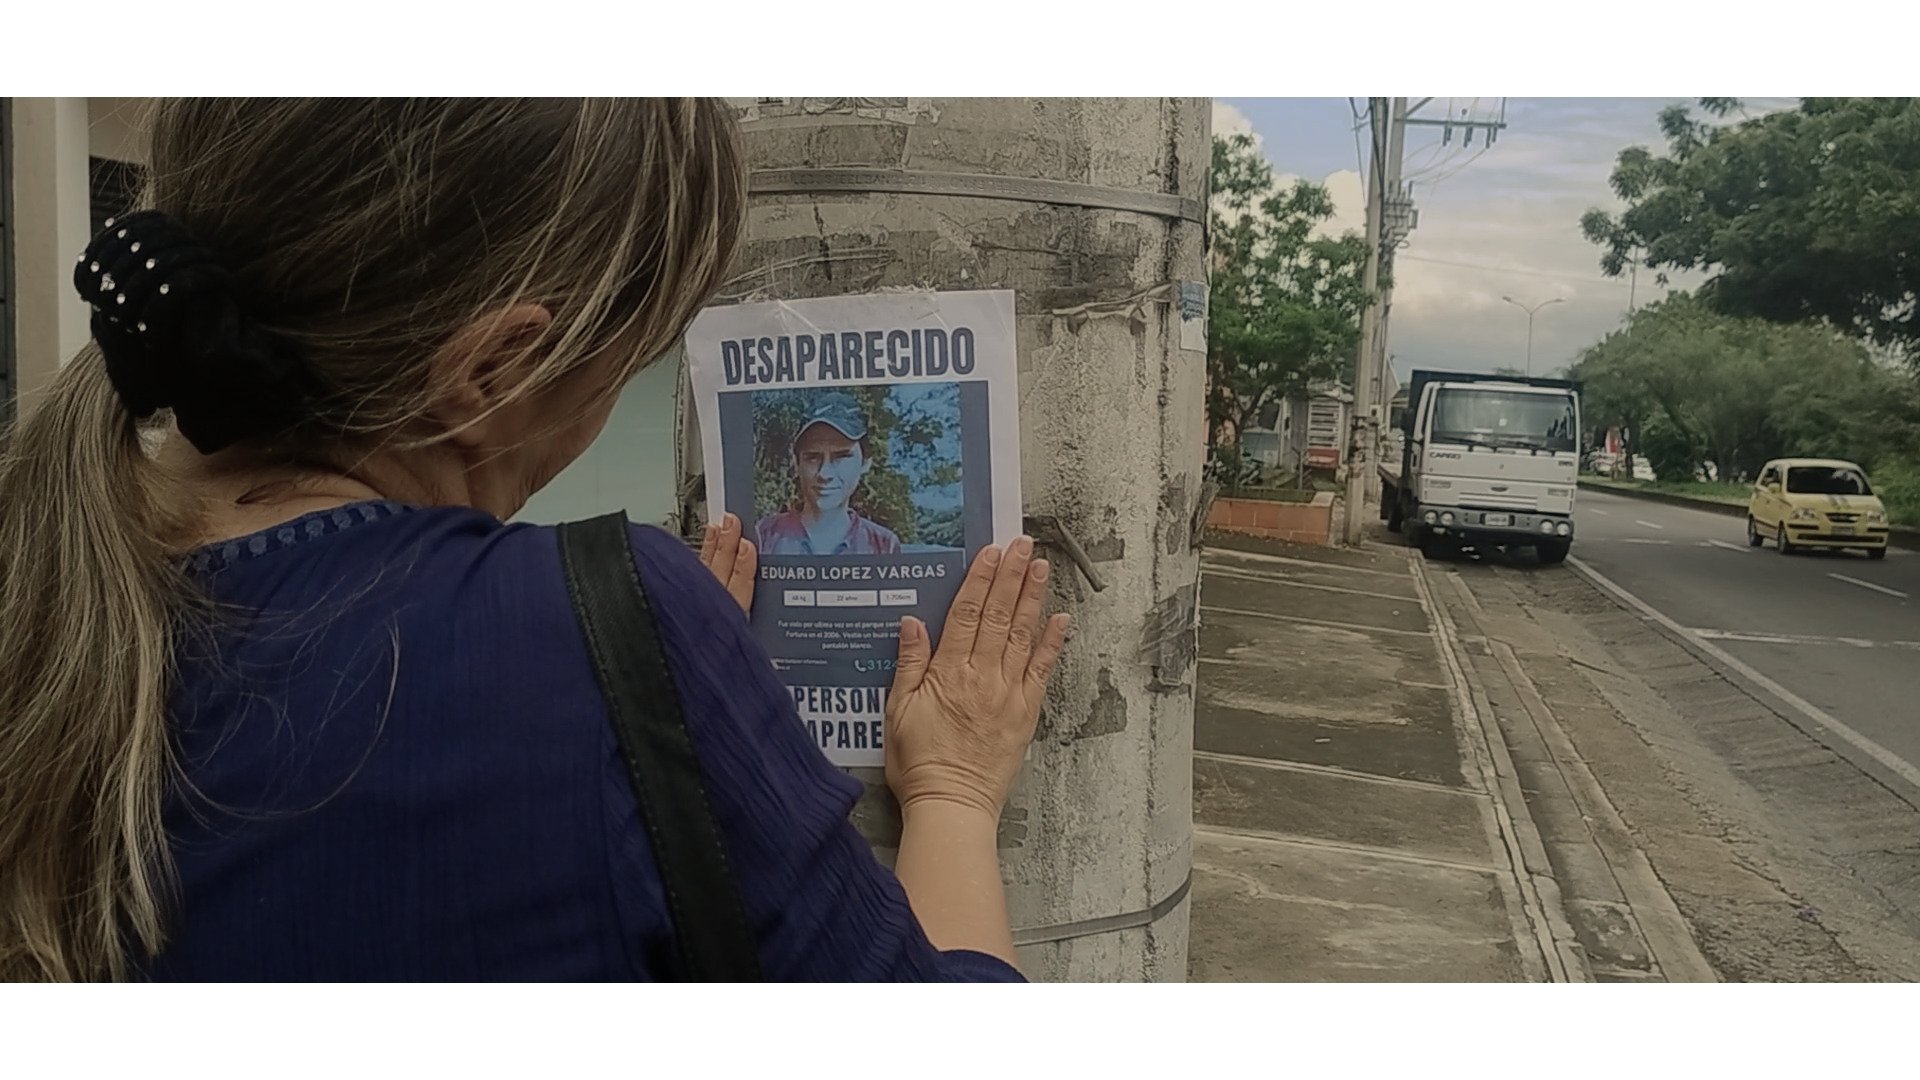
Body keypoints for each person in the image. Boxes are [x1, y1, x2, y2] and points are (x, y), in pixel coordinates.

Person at [0, 99, 1068, 982]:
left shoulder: (49, 564)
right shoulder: (596, 638)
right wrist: (952, 791)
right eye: (628, 363)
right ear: (496, 369)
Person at [755, 391, 903, 556]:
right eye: (813, 457)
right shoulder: (763, 536)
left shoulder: (883, 545)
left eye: (841, 456)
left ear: (865, 462)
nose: (824, 474)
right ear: (796, 463)